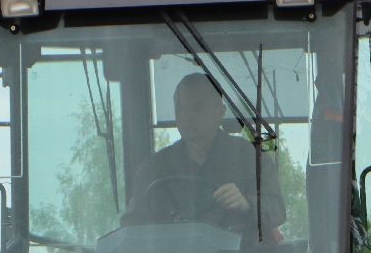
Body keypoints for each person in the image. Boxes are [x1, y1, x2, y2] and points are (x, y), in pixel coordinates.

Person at [121, 72, 285, 239]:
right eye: (181, 110)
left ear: (219, 112)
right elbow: (132, 224)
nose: (188, 117)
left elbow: (277, 209)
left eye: (197, 108)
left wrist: (246, 203)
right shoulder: (154, 168)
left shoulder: (251, 160)